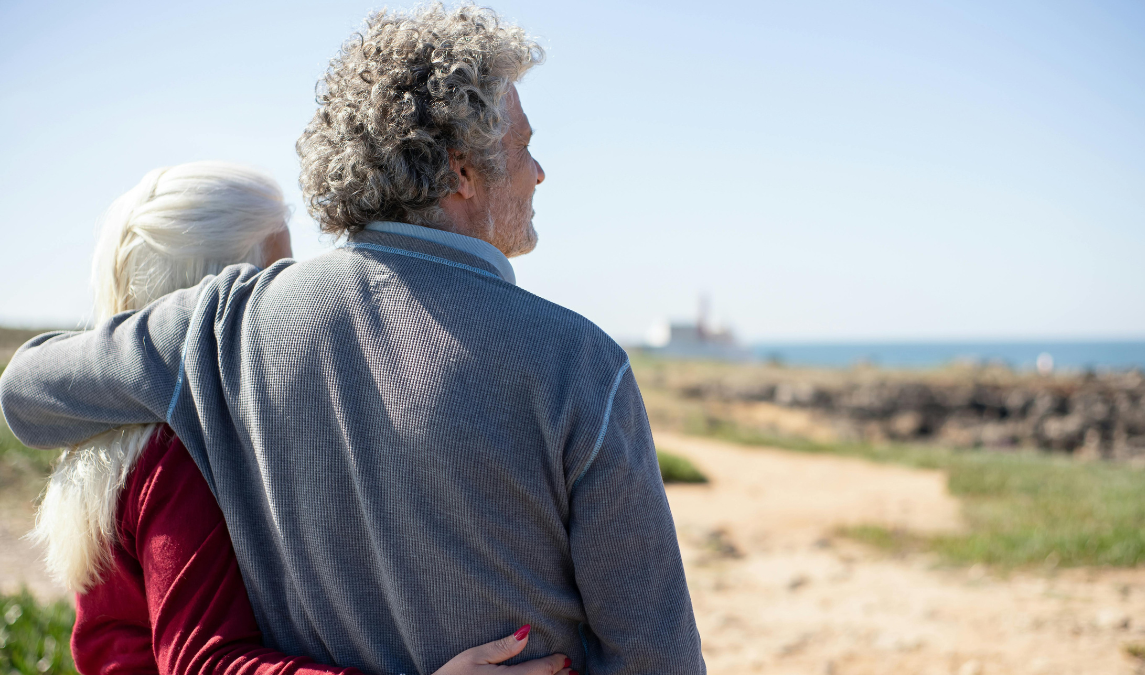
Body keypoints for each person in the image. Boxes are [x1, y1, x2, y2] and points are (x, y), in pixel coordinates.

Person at [0, 4, 706, 674]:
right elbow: (658, 659)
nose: (539, 171)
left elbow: (27, 391)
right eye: (524, 147)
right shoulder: (580, 362)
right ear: (462, 170)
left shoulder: (225, 324)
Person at [29, 161, 573, 675]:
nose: (294, 299)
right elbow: (205, 663)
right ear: (207, 299)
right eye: (274, 279)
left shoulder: (116, 434)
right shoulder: (175, 452)